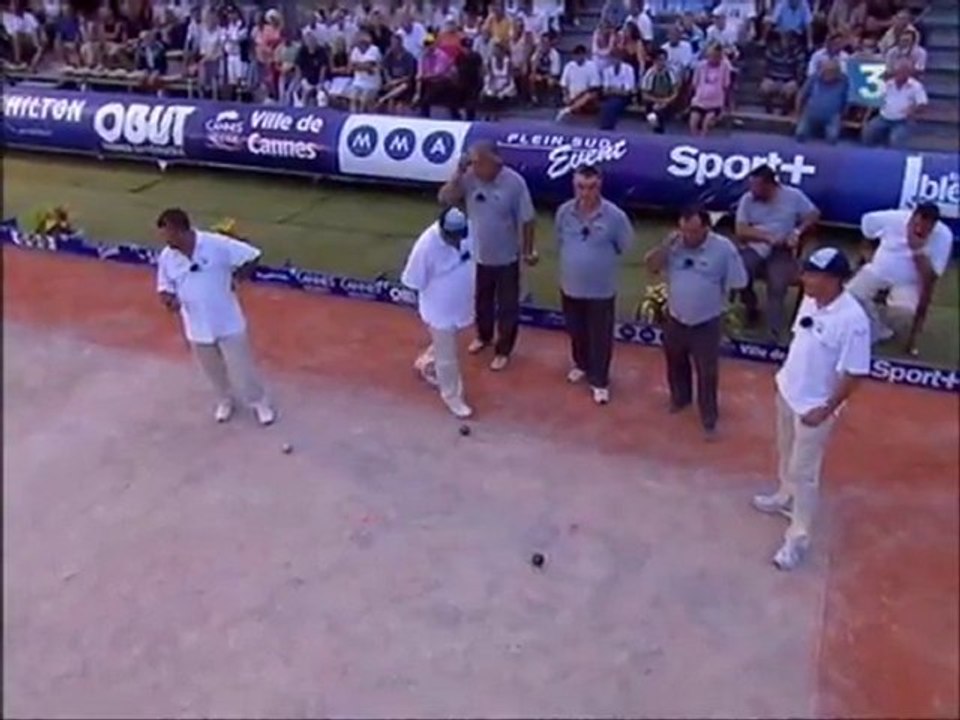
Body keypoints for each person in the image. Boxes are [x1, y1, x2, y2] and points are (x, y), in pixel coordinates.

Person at [752, 247, 870, 570]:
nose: (805, 279)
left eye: (813, 274)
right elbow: (801, 340)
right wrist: (785, 381)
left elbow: (855, 372)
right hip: (788, 393)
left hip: (814, 410)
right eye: (806, 272)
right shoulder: (809, 299)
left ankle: (797, 539)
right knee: (784, 451)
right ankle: (782, 494)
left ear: (833, 280)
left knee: (805, 474)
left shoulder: (852, 320)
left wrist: (827, 408)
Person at [154, 208, 276, 426]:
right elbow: (165, 286)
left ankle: (259, 403)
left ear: (181, 230)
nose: (166, 241)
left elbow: (253, 255)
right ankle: (225, 400)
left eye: (168, 235)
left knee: (242, 368)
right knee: (212, 370)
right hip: (196, 326)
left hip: (228, 321)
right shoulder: (167, 257)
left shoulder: (216, 244)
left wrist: (237, 278)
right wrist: (169, 300)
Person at [644, 207, 747, 439]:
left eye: (693, 232)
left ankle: (709, 418)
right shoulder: (674, 245)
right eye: (683, 231)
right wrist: (665, 247)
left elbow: (739, 281)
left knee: (707, 371)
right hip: (676, 317)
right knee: (675, 362)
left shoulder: (723, 249)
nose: (687, 237)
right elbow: (651, 267)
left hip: (706, 321)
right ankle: (680, 399)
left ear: (706, 229)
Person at [437, 140, 537, 372]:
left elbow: (528, 219)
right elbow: (445, 198)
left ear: (495, 162)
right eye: (472, 162)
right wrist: (458, 173)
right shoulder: (470, 178)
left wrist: (527, 251)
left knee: (507, 306)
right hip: (478, 255)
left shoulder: (514, 183)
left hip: (507, 257)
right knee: (481, 301)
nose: (475, 166)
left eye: (478, 162)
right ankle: (483, 336)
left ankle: (503, 350)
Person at [554, 165, 634, 405]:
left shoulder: (615, 216)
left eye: (591, 187)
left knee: (600, 336)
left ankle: (599, 381)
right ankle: (581, 364)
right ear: (573, 186)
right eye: (580, 187)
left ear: (600, 186)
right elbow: (560, 240)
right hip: (570, 286)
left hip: (601, 290)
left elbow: (623, 246)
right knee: (576, 331)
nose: (585, 193)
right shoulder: (564, 212)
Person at [401, 207, 477, 419]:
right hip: (439, 309)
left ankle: (426, 360)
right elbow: (413, 281)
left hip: (462, 304)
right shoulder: (426, 246)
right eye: (451, 237)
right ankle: (453, 397)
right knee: (448, 357)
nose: (455, 241)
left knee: (450, 342)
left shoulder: (469, 230)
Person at [846, 204, 953, 353]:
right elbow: (867, 225)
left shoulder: (944, 236)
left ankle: (883, 325)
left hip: (908, 283)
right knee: (849, 296)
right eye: (917, 225)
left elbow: (930, 278)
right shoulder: (893, 218)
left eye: (927, 229)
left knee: (903, 315)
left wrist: (917, 250)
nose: (921, 230)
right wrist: (866, 252)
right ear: (912, 217)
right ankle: (875, 329)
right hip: (878, 270)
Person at [735, 165, 820, 341]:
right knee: (740, 273)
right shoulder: (747, 200)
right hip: (756, 245)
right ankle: (751, 308)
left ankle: (773, 331)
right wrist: (766, 236)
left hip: (781, 251)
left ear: (770, 185)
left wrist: (798, 231)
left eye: (756, 186)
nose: (752, 191)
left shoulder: (793, 196)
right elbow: (740, 229)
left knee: (778, 283)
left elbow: (813, 214)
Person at [861, 58, 927, 148]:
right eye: (899, 72)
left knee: (896, 139)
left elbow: (922, 103)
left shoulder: (916, 86)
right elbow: (877, 98)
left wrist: (913, 109)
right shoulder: (887, 84)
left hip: (903, 121)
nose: (901, 74)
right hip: (883, 117)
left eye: (904, 72)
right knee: (868, 131)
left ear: (909, 73)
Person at [794, 57, 849, 144]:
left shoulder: (844, 81)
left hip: (832, 116)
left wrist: (842, 115)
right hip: (810, 114)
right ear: (823, 70)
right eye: (827, 70)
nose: (830, 73)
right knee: (800, 135)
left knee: (832, 138)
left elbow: (847, 100)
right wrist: (797, 114)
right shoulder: (813, 78)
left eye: (833, 71)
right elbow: (801, 95)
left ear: (838, 72)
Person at [688, 43, 732, 136]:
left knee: (706, 124)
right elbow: (694, 84)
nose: (714, 58)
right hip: (699, 101)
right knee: (693, 122)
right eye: (712, 56)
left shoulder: (725, 67)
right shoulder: (700, 66)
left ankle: (703, 142)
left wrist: (726, 106)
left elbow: (726, 86)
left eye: (716, 56)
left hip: (715, 103)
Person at [760, 30, 805, 114]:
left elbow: (800, 67)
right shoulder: (772, 50)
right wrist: (767, 76)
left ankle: (785, 111)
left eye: (789, 39)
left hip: (789, 79)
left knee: (790, 89)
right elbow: (766, 64)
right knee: (765, 87)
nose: (786, 41)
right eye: (784, 39)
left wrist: (797, 80)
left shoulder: (797, 51)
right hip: (772, 77)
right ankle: (769, 109)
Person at [639, 49, 681, 133]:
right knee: (653, 115)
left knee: (661, 112)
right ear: (654, 61)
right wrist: (658, 101)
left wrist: (667, 101)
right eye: (659, 60)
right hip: (653, 100)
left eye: (663, 60)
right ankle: (657, 131)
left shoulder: (671, 72)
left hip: (668, 100)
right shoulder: (649, 74)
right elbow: (645, 95)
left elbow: (676, 91)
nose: (661, 62)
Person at [556, 43, 601, 121]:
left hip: (586, 96)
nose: (577, 57)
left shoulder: (591, 66)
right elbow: (564, 85)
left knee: (590, 95)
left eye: (580, 55)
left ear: (584, 55)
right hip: (571, 97)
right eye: (576, 55)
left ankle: (568, 110)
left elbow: (594, 87)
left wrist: (579, 96)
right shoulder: (569, 66)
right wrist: (566, 96)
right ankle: (573, 107)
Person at [599, 50, 637, 130]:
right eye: (613, 58)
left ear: (620, 59)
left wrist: (613, 89)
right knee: (606, 106)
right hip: (610, 97)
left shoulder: (628, 69)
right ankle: (606, 128)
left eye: (616, 58)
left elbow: (627, 91)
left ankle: (608, 128)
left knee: (613, 105)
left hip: (625, 98)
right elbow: (605, 91)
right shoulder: (607, 70)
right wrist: (617, 90)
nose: (614, 60)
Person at [349, 30, 382, 112]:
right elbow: (351, 67)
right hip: (358, 81)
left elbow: (369, 66)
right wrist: (363, 66)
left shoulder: (374, 50)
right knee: (353, 98)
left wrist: (358, 65)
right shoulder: (355, 50)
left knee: (363, 100)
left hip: (372, 83)